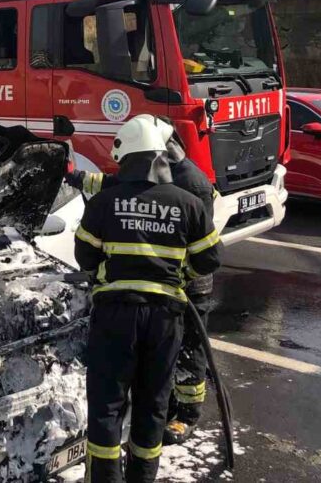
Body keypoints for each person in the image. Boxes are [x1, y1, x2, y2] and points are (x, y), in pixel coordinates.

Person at [74, 114, 222, 483]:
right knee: (152, 404)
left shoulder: (103, 203)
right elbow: (210, 259)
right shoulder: (187, 202)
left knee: (107, 405)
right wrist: (179, 272)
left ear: (125, 157)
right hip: (165, 318)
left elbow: (86, 257)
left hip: (115, 317)